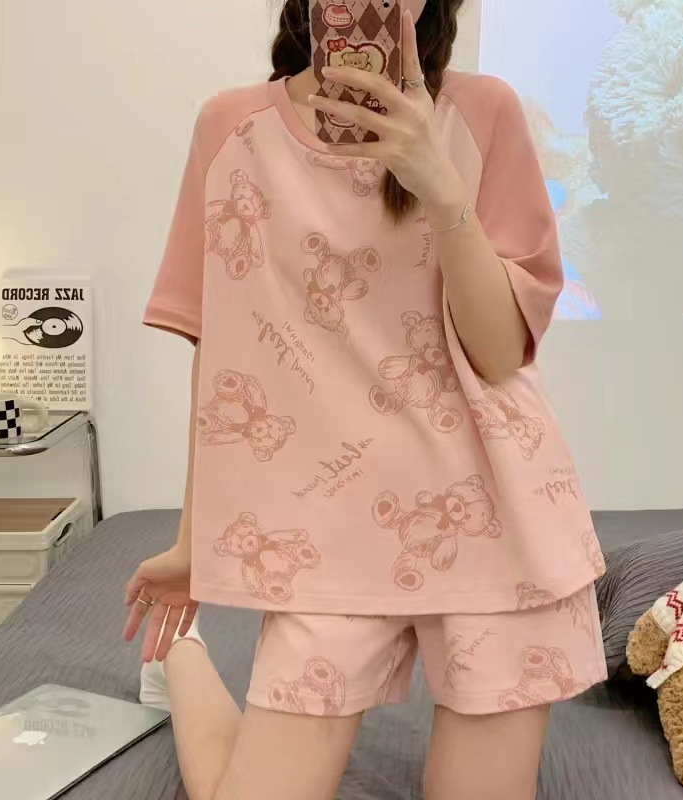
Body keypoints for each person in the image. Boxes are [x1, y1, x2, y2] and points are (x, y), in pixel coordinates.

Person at [124, 1, 608, 798]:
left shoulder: (484, 113)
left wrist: (440, 186)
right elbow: (225, 365)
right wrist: (191, 545)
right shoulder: (232, 130)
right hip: (325, 532)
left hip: (494, 522)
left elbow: (497, 352)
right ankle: (183, 657)